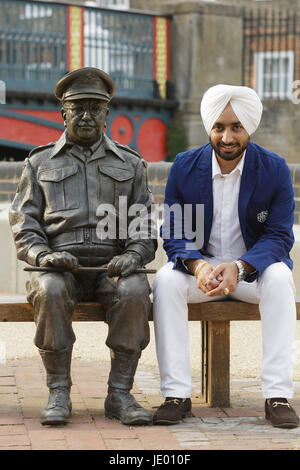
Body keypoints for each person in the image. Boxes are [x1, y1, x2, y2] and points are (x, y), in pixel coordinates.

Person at [9, 67, 156, 426]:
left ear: (108, 114)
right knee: (49, 288)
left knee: (136, 288)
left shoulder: (131, 164)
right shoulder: (39, 162)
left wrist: (133, 255)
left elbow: (144, 227)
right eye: (79, 108)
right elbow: (24, 223)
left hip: (112, 267)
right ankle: (58, 392)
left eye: (95, 108)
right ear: (64, 114)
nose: (87, 115)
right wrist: (43, 255)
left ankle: (119, 393)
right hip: (60, 266)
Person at [152, 84, 299, 429]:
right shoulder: (185, 167)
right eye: (219, 127)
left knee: (280, 278)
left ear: (249, 127)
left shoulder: (274, 169)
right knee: (165, 282)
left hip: (251, 274)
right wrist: (199, 264)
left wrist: (240, 266)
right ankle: (176, 395)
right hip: (199, 274)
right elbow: (173, 231)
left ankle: (277, 395)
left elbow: (279, 235)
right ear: (209, 128)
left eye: (236, 127)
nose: (227, 136)